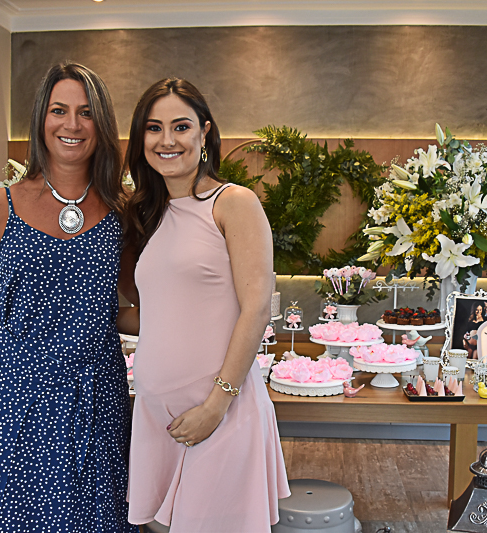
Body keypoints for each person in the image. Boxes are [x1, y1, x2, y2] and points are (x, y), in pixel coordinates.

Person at [0, 63, 136, 532]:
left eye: (86, 113)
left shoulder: (122, 210)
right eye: (59, 111)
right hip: (12, 394)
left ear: (102, 124)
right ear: (41, 119)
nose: (72, 124)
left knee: (95, 519)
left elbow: (135, 306)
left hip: (95, 397)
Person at [118, 78, 290, 532]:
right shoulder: (145, 215)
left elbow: (256, 310)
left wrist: (216, 406)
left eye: (181, 126)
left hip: (220, 412)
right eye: (154, 128)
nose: (167, 140)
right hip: (156, 415)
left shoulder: (233, 203)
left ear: (204, 132)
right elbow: (155, 315)